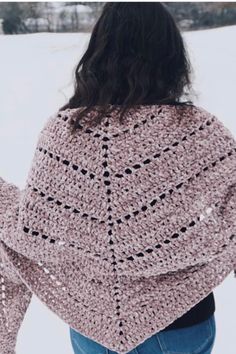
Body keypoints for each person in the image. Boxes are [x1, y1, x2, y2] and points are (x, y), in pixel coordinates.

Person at [0, 3, 236, 354]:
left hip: (91, 324)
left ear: (99, 52)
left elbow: (31, 228)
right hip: (184, 322)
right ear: (171, 56)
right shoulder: (200, 129)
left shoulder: (62, 133)